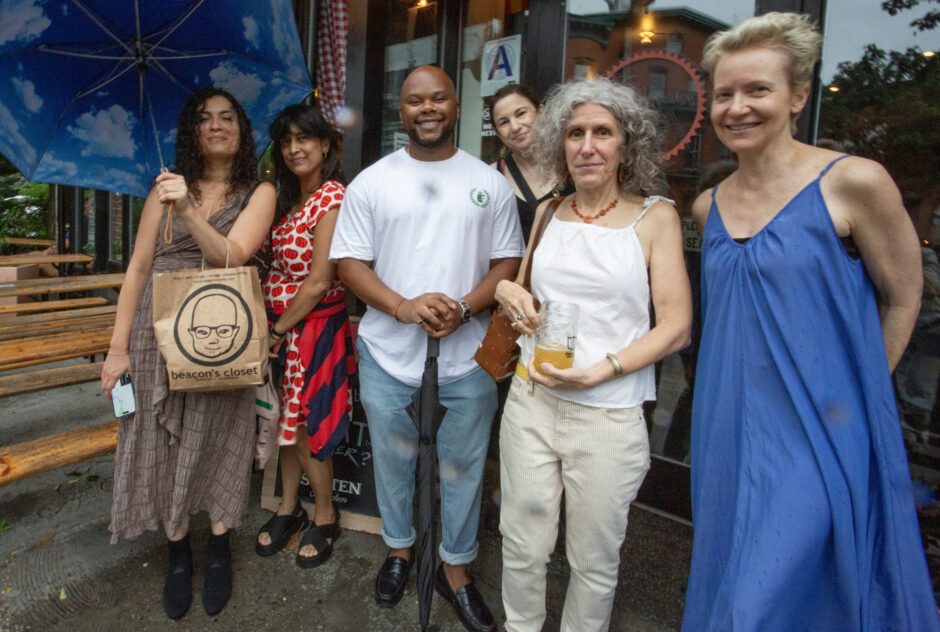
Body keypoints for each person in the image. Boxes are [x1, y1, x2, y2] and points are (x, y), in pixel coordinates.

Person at [682, 13, 938, 631]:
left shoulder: (852, 182)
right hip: (726, 425)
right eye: (723, 94)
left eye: (757, 90)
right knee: (738, 568)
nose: (737, 107)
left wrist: (862, 394)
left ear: (798, 95)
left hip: (816, 427)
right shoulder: (705, 205)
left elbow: (905, 297)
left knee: (763, 593)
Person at [493, 77, 692, 632]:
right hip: (531, 401)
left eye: (602, 132)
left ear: (626, 145)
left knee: (594, 562)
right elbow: (524, 289)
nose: (587, 145)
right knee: (522, 544)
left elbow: (676, 326)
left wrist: (602, 371)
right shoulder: (548, 211)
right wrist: (511, 293)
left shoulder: (656, 217)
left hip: (608, 415)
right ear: (560, 144)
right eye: (575, 133)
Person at [330, 65, 524, 632]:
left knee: (463, 468)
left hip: (467, 356)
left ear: (456, 106)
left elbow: (506, 262)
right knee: (393, 459)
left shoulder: (487, 182)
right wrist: (402, 306)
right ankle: (399, 551)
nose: (428, 108)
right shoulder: (373, 181)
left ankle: (455, 569)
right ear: (402, 111)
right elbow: (348, 264)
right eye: (416, 101)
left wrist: (464, 307)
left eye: (439, 98)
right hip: (389, 352)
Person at [100, 88, 276, 620]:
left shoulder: (259, 191)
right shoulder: (162, 190)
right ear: (191, 132)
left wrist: (191, 210)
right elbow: (136, 268)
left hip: (220, 325)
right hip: (156, 328)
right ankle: (178, 548)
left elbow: (232, 255)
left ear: (242, 131)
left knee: (220, 432)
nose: (217, 125)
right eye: (205, 119)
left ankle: (219, 545)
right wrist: (116, 347)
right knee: (156, 435)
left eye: (228, 117)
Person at [255, 104, 354, 569]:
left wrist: (278, 328)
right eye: (287, 141)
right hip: (281, 328)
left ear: (326, 145)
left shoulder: (332, 197)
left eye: (305, 139)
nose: (295, 148)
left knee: (308, 425)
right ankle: (287, 507)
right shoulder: (290, 196)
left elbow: (318, 281)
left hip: (309, 330)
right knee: (284, 423)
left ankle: (326, 516)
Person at [490, 84, 569, 243]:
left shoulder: (574, 163)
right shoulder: (493, 177)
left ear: (541, 112)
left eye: (521, 114)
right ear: (498, 134)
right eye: (504, 122)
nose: (515, 127)